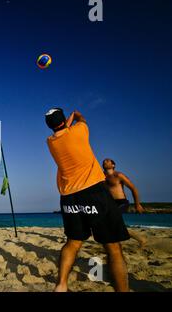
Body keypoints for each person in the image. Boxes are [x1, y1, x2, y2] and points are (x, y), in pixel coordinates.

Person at [45, 108, 130, 292]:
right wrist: (75, 114)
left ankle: (61, 285)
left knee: (73, 242)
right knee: (113, 248)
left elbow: (62, 130)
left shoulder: (51, 142)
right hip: (93, 191)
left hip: (69, 196)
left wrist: (66, 122)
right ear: (65, 120)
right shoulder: (79, 130)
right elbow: (82, 120)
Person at [102, 158, 147, 247]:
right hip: (110, 203)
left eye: (107, 160)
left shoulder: (119, 175)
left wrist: (137, 204)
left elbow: (133, 188)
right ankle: (139, 239)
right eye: (103, 161)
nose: (105, 161)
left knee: (113, 221)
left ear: (113, 165)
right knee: (110, 223)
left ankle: (140, 239)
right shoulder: (102, 176)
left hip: (122, 202)